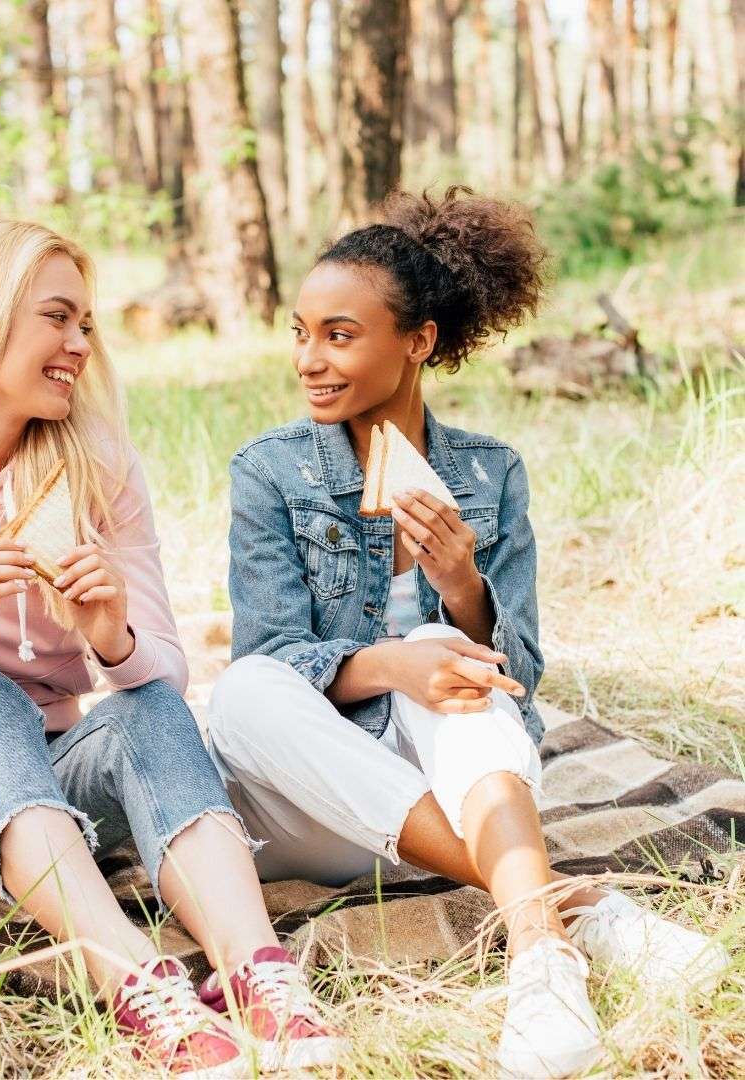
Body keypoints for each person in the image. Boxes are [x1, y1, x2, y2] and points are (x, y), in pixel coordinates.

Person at [0, 217, 344, 1076]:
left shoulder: (98, 469)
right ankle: (133, 978)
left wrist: (111, 638)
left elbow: (164, 668)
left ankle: (257, 972)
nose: (81, 344)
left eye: (86, 323)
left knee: (152, 705)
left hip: (50, 789)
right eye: (58, 318)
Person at [207, 187, 731, 1078]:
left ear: (418, 342)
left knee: (473, 671)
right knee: (240, 692)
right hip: (310, 793)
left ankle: (542, 967)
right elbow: (273, 658)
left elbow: (522, 673)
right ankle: (575, 904)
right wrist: (394, 664)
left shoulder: (490, 473)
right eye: (301, 332)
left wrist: (460, 587)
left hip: (452, 778)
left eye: (340, 334)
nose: (310, 359)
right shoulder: (270, 471)